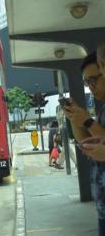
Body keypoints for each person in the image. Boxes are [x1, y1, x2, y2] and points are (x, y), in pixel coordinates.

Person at [62, 52, 105, 235]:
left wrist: (87, 121)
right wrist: (74, 118)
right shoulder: (103, 110)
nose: (91, 86)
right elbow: (86, 140)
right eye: (87, 82)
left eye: (94, 79)